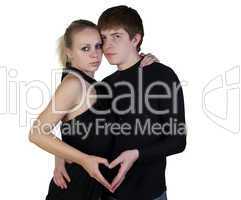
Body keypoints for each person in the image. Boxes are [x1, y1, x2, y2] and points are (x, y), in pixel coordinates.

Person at [29, 19, 157, 200]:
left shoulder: (94, 85)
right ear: (69, 53)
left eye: (98, 46)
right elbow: (37, 133)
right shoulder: (73, 84)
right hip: (73, 189)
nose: (95, 55)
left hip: (96, 189)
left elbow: (71, 128)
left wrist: (143, 63)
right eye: (85, 49)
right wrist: (83, 160)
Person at [97, 6, 187, 200]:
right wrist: (59, 158)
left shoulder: (162, 75)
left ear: (135, 39)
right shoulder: (104, 86)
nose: (107, 45)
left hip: (150, 194)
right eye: (103, 38)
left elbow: (178, 141)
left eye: (116, 36)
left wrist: (137, 154)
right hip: (107, 194)